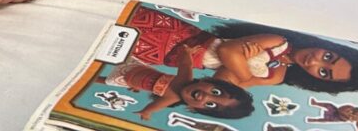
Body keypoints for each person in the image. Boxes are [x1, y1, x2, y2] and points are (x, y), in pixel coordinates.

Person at [122, 5, 358, 95]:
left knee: (116, 42)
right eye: (329, 57)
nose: (314, 62)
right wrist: (241, 69)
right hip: (178, 33)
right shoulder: (279, 40)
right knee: (121, 20)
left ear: (318, 81)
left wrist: (238, 70)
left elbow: (223, 83)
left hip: (169, 57)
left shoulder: (277, 76)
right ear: (329, 46)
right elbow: (229, 53)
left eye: (324, 72)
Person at [98, 58, 254, 120]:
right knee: (118, 56)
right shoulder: (184, 79)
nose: (204, 97)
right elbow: (186, 64)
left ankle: (91, 76)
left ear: (194, 109)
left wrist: (146, 112)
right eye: (215, 92)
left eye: (210, 104)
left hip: (128, 81)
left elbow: (154, 107)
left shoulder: (172, 98)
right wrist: (187, 52)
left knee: (107, 81)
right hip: (136, 68)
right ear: (211, 81)